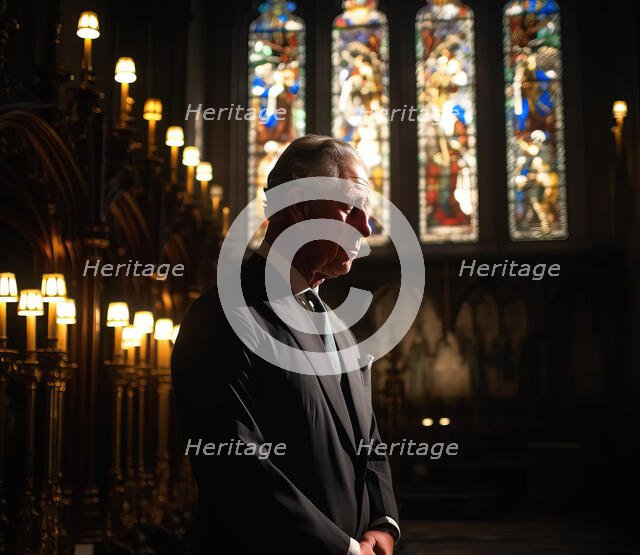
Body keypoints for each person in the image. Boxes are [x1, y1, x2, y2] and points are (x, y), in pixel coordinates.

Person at [171, 135, 400, 555]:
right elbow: (233, 465)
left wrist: (383, 523)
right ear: (298, 204)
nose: (366, 229)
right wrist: (343, 549)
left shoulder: (340, 328)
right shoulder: (225, 315)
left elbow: (368, 441)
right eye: (350, 208)